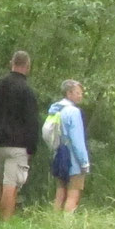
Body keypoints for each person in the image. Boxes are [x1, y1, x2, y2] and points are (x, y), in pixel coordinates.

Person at [0, 49, 43, 221]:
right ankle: (6, 224)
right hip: (17, 145)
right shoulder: (27, 91)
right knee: (10, 186)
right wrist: (32, 148)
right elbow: (32, 122)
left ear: (11, 63)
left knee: (0, 184)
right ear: (27, 66)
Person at [46, 79, 91, 213]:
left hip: (59, 155)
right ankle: (67, 227)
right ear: (69, 93)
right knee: (73, 195)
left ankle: (54, 221)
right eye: (78, 93)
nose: (80, 95)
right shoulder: (73, 112)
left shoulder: (55, 110)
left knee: (60, 193)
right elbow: (77, 140)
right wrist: (84, 162)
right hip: (73, 160)